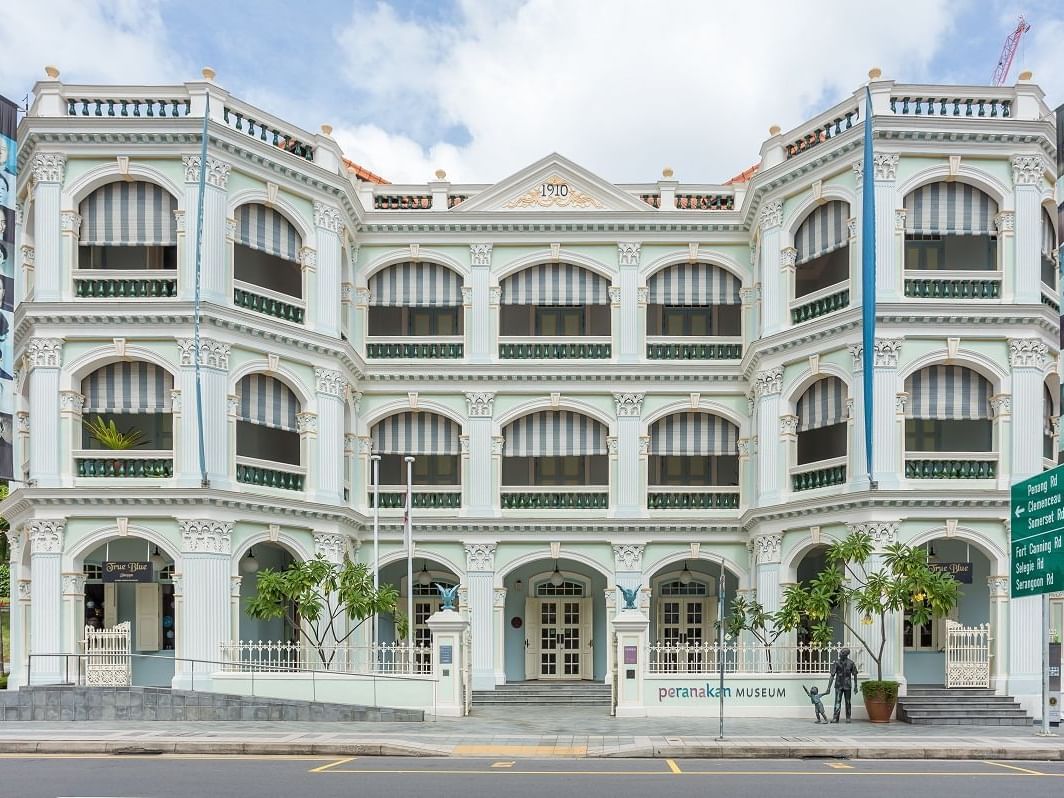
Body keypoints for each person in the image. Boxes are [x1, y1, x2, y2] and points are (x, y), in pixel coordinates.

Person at [826, 647, 859, 723]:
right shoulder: (836, 663)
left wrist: (856, 686)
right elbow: (832, 675)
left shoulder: (851, 663)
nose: (840, 653)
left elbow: (855, 674)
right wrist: (828, 687)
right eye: (840, 652)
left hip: (847, 685)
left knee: (848, 702)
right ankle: (835, 718)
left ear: (846, 655)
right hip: (838, 685)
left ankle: (848, 717)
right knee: (837, 701)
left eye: (842, 653)